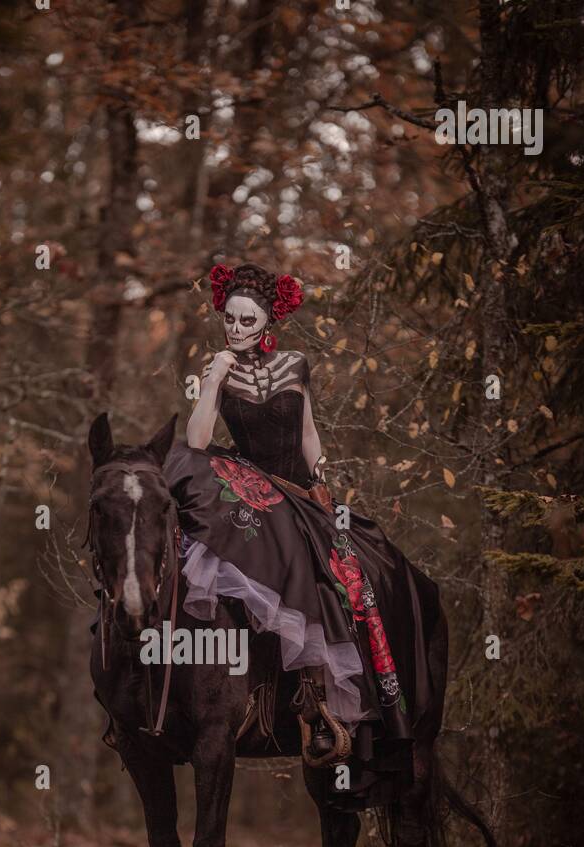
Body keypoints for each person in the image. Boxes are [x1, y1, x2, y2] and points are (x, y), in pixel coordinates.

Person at [164, 261, 441, 799]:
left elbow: (309, 430)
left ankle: (340, 704)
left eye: (248, 320)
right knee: (243, 554)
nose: (237, 329)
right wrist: (215, 377)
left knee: (354, 573)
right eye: (229, 319)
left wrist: (322, 485)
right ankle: (228, 692)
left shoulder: (296, 363)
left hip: (299, 490)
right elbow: (196, 444)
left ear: (268, 320)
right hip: (249, 485)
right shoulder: (217, 368)